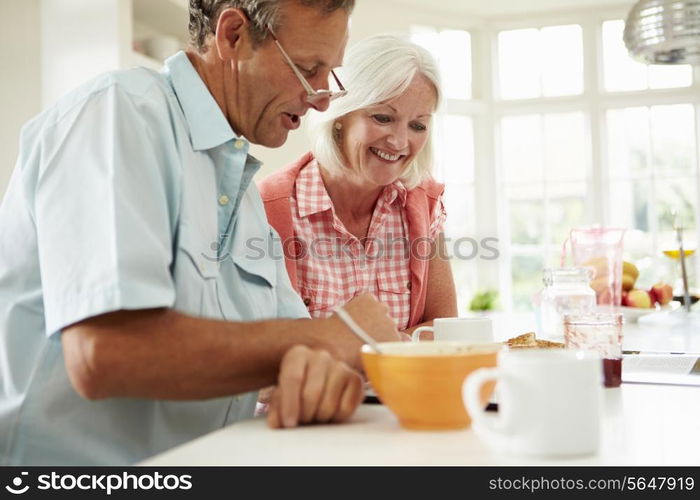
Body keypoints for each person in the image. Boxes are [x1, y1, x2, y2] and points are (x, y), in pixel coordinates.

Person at [0, 0, 401, 466]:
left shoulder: (243, 192)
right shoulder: (119, 113)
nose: (322, 97)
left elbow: (288, 352)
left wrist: (320, 366)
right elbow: (104, 354)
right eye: (309, 68)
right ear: (233, 35)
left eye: (328, 73)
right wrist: (331, 337)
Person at [258, 35, 457, 334]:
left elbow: (446, 330)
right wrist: (383, 350)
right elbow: (262, 342)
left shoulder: (423, 204)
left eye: (417, 125)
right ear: (340, 114)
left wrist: (383, 353)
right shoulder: (268, 209)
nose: (400, 142)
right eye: (382, 117)